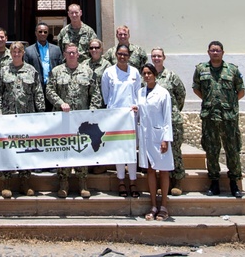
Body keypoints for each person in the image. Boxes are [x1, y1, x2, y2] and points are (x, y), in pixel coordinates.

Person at [46, 42, 103, 199]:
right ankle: (63, 183)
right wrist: (60, 103)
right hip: (63, 119)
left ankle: (83, 183)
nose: (71, 55)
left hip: (82, 121)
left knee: (82, 149)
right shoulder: (56, 72)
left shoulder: (87, 71)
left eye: (74, 52)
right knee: (64, 150)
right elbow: (49, 90)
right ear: (64, 55)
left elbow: (96, 93)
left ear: (78, 54)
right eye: (69, 52)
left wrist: (92, 111)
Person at [192, 40, 245, 197]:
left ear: (223, 52)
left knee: (232, 150)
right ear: (208, 52)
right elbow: (196, 88)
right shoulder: (201, 69)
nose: (215, 53)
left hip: (228, 117)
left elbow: (240, 91)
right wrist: (209, 102)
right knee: (212, 150)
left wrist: (229, 104)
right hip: (210, 117)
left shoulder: (232, 70)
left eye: (218, 50)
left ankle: (234, 183)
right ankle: (214, 182)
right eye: (212, 50)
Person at [0, 41, 46, 198]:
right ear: (10, 53)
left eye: (19, 52)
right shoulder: (3, 71)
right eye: (14, 51)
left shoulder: (31, 70)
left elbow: (38, 92)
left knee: (26, 149)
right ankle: (6, 182)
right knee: (7, 149)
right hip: (8, 116)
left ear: (23, 53)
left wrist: (40, 113)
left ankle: (25, 182)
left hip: (26, 117)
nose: (16, 54)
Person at [101, 42, 142, 198]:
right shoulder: (109, 72)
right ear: (115, 55)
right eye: (120, 54)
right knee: (119, 149)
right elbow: (106, 94)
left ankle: (132, 181)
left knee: (130, 149)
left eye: (125, 54)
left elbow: (138, 93)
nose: (122, 57)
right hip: (116, 117)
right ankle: (121, 181)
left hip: (131, 116)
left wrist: (136, 108)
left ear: (129, 56)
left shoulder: (135, 73)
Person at [138, 62, 173, 221]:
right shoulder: (140, 92)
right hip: (146, 137)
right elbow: (140, 112)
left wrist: (166, 139)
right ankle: (153, 205)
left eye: (149, 73)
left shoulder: (163, 93)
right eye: (144, 73)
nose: (146, 76)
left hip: (159, 136)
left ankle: (164, 206)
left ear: (155, 74)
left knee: (163, 169)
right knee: (150, 169)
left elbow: (167, 117)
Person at [151, 47, 187, 195]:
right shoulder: (148, 76)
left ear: (164, 57)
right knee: (160, 152)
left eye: (159, 56)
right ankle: (163, 183)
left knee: (175, 150)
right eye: (154, 56)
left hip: (172, 120)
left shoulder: (171, 76)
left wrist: (172, 111)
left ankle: (177, 181)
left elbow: (181, 95)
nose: (156, 58)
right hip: (156, 121)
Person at [24, 22, 62, 108]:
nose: (43, 34)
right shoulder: (29, 50)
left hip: (53, 89)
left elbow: (61, 68)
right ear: (36, 33)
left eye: (45, 32)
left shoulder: (56, 49)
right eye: (40, 31)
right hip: (36, 89)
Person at [86, 37, 110, 108]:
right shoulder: (84, 65)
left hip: (102, 103)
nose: (94, 50)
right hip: (86, 102)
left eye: (96, 47)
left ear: (101, 49)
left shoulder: (107, 65)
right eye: (91, 48)